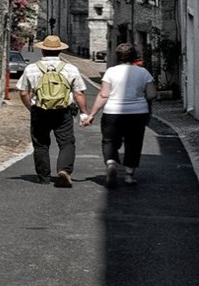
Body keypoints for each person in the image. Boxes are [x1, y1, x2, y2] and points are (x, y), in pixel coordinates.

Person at [82, 42, 155, 186]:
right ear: (134, 56)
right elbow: (152, 94)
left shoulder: (111, 72)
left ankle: (111, 163)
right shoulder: (143, 72)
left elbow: (103, 95)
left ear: (117, 57)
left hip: (112, 112)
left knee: (109, 140)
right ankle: (129, 175)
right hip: (137, 113)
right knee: (134, 143)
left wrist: (91, 114)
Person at [18, 35, 87, 186]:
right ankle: (64, 169)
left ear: (42, 51)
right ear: (60, 51)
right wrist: (84, 112)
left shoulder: (32, 68)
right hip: (63, 111)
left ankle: (43, 177)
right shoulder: (70, 69)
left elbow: (23, 93)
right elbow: (78, 93)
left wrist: (31, 108)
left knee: (41, 143)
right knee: (66, 142)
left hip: (40, 110)